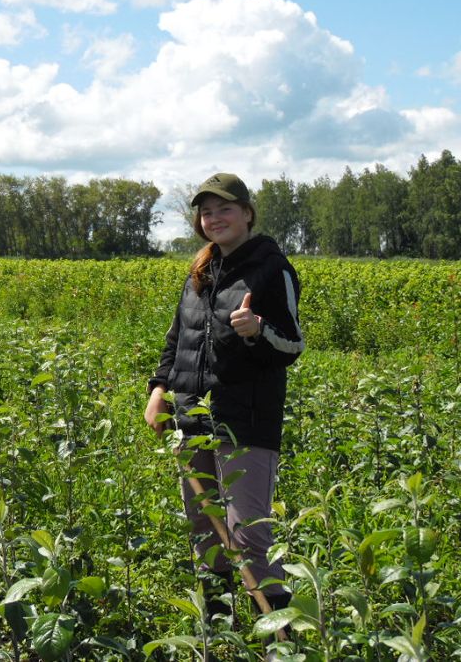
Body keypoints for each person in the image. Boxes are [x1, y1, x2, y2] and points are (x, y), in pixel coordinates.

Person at [144, 173, 304, 622]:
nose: (214, 219)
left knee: (247, 533)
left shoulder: (274, 268)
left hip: (245, 421)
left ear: (248, 213)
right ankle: (219, 627)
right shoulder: (201, 269)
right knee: (204, 527)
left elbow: (292, 344)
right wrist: (158, 390)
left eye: (224, 209)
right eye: (206, 211)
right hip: (191, 418)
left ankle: (278, 639)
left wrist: (258, 331)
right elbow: (179, 338)